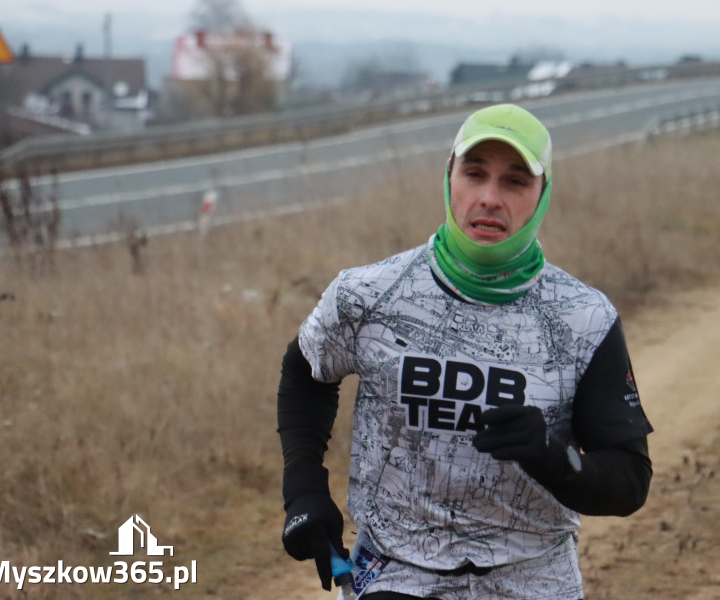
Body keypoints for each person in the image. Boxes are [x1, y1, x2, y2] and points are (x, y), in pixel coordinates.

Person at [277, 103, 653, 600]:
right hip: (396, 574)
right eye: (474, 174)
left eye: (516, 182)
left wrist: (553, 460)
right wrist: (303, 488)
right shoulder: (368, 294)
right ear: (448, 179)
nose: (490, 198)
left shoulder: (584, 318)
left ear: (543, 196)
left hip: (532, 578)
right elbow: (306, 370)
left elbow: (629, 479)